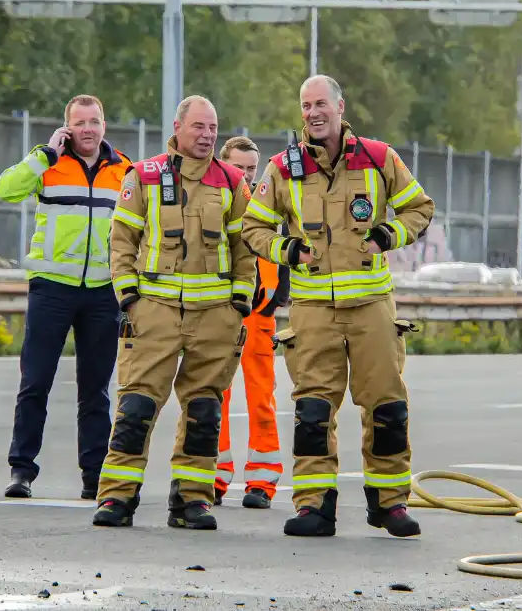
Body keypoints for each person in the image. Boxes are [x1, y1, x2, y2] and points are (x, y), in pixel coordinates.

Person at [240, 75, 435, 538]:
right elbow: (254, 228)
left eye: (321, 103)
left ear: (340, 107)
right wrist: (287, 251)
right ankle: (313, 507)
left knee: (387, 407)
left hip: (371, 305)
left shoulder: (379, 158)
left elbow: (419, 209)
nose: (313, 113)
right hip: (312, 309)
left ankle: (389, 504)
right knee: (312, 411)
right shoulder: (282, 168)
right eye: (306, 105)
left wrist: (389, 236)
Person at [92, 95, 256, 531]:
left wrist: (240, 300)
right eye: (199, 127)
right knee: (136, 408)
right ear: (178, 127)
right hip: (155, 312)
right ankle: (116, 498)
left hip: (215, 316)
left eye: (212, 128)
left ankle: (192, 502)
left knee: (204, 413)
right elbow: (122, 239)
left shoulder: (234, 182)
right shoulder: (143, 175)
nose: (207, 136)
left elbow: (246, 247)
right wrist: (128, 296)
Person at [0, 94, 132, 500]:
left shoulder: (124, 170)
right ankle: (22, 470)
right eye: (79, 122)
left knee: (96, 390)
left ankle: (94, 475)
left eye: (94, 121)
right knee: (35, 382)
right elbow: (6, 189)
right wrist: (43, 155)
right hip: (52, 289)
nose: (87, 129)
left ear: (104, 125)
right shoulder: (48, 164)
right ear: (67, 127)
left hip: (102, 292)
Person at [213, 136, 289, 510]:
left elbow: (286, 239)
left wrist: (280, 290)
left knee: (262, 398)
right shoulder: (213, 195)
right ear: (224, 163)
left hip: (260, 313)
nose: (245, 174)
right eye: (239, 166)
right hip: (221, 309)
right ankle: (214, 474)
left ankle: (262, 478)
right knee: (215, 395)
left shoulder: (270, 196)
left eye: (250, 168)